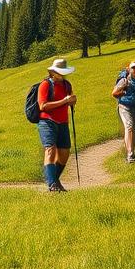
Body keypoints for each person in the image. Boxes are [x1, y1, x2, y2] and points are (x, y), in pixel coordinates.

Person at [37, 58, 77, 192]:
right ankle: (52, 185)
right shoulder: (45, 85)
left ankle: (53, 179)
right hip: (47, 121)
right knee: (51, 150)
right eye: (59, 72)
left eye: (63, 72)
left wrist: (72, 101)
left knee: (65, 152)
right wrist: (64, 101)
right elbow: (43, 106)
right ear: (52, 72)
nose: (62, 75)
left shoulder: (67, 85)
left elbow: (69, 100)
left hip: (63, 122)